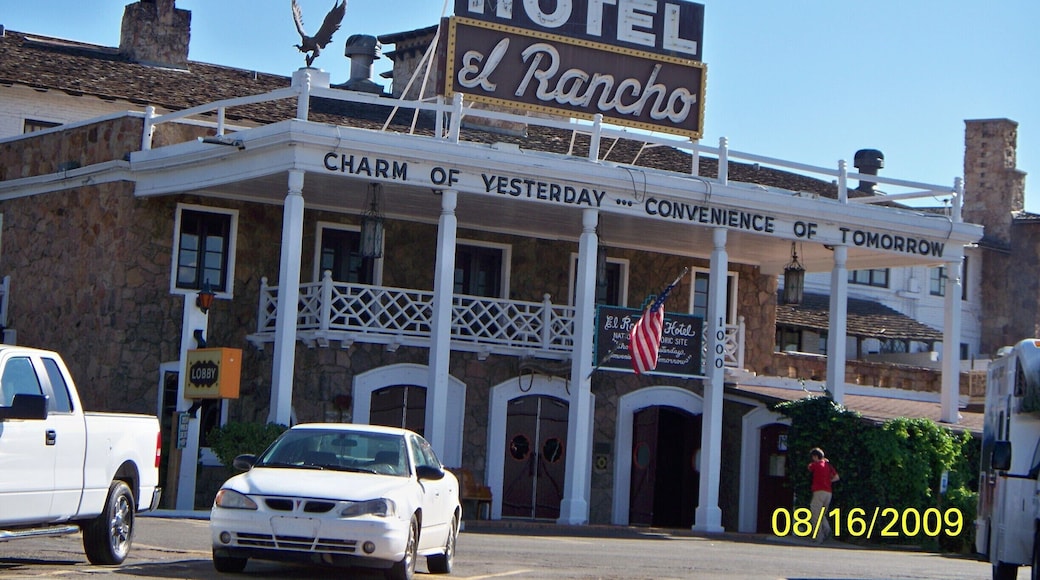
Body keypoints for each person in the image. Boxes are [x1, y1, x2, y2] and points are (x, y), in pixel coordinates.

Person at [807, 447, 839, 544]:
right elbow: (836, 477)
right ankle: (827, 528)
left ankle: (819, 537)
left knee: (815, 514)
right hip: (828, 492)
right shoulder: (828, 466)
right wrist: (828, 481)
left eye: (813, 457)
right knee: (822, 513)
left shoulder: (816, 464)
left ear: (816, 456)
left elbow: (809, 467)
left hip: (819, 492)